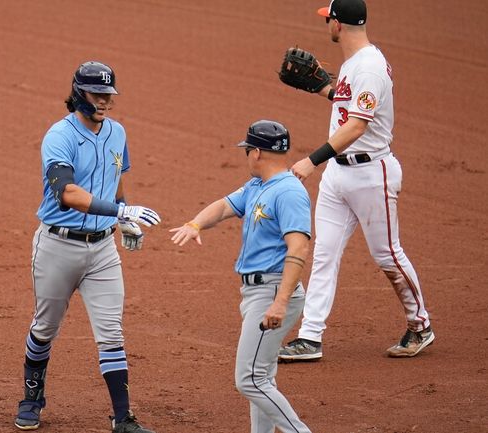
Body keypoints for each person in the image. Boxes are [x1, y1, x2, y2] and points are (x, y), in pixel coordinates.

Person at [279, 0, 434, 362]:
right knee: (324, 255)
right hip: (339, 174)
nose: (326, 25)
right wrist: (323, 90)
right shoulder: (353, 64)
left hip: (371, 174)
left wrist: (310, 160)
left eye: (327, 19)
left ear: (338, 24)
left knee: (387, 254)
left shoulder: (369, 68)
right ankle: (310, 337)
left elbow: (357, 125)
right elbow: (349, 106)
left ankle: (420, 325)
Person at [14, 60, 159, 433]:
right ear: (79, 93)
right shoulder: (59, 136)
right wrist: (121, 209)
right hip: (57, 248)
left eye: (109, 94)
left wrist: (122, 217)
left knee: (111, 333)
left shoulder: (117, 133)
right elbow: (68, 194)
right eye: (98, 94)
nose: (105, 102)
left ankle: (123, 418)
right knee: (45, 328)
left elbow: (116, 180)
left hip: (102, 251)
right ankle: (32, 398)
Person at [171, 120, 313, 433]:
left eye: (247, 150)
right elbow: (223, 207)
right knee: (261, 377)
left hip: (273, 291)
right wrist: (195, 224)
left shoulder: (289, 193)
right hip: (257, 292)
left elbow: (298, 248)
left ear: (258, 152)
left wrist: (280, 302)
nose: (246, 155)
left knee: (249, 379)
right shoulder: (258, 187)